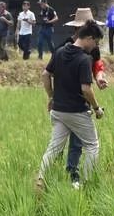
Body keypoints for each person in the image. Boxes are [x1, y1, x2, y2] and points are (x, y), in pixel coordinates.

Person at [36, 21, 105, 187]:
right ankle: (86, 182)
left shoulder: (59, 52)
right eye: (95, 42)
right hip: (77, 111)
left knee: (54, 148)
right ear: (88, 38)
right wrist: (97, 108)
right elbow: (86, 89)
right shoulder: (84, 59)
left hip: (58, 110)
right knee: (92, 145)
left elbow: (45, 75)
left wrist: (51, 97)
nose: (95, 46)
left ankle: (40, 177)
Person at [60, 8, 109, 183]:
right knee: (59, 141)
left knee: (77, 140)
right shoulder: (65, 46)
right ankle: (65, 173)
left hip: (82, 99)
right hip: (67, 98)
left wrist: (100, 79)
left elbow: (97, 67)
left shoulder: (93, 49)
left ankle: (72, 173)